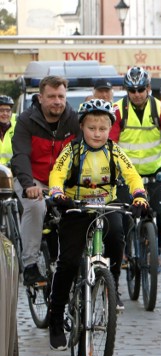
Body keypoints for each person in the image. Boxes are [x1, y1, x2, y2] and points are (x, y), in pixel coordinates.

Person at [47, 99, 149, 349]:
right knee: (68, 261)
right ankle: (56, 317)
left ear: (109, 130)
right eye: (92, 128)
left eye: (102, 129)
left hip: (106, 206)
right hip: (76, 207)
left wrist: (139, 194)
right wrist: (58, 193)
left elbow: (132, 174)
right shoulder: (71, 151)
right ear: (82, 127)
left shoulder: (115, 151)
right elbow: (57, 173)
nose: (97, 133)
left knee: (116, 237)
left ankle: (111, 282)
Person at [11, 75, 81, 286]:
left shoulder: (75, 120)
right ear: (40, 98)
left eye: (61, 96)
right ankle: (30, 265)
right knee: (35, 206)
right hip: (33, 179)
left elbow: (83, 154)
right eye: (51, 96)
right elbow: (21, 155)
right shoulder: (26, 120)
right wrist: (29, 185)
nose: (57, 101)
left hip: (63, 182)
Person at [109, 66, 161, 250]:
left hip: (154, 174)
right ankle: (126, 256)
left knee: (159, 217)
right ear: (126, 90)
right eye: (132, 90)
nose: (137, 94)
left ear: (149, 88)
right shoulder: (117, 110)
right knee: (123, 221)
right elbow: (109, 144)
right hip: (127, 177)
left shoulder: (160, 110)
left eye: (141, 89)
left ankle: (154, 253)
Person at [0, 95, 16, 165]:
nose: (5, 113)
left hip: (12, 172)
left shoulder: (18, 128)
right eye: (1, 110)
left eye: (8, 110)